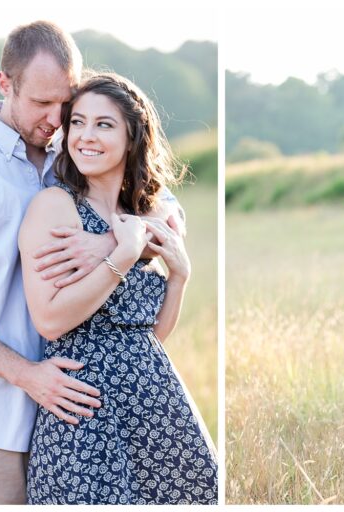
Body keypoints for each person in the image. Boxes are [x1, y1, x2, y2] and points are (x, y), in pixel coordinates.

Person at [0, 21, 184, 504]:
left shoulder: (71, 151)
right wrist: (25, 374)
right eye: (41, 103)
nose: (57, 119)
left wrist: (107, 244)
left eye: (66, 103)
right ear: (4, 84)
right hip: (1, 413)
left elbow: (164, 205)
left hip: (85, 413)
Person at [18, 72, 217, 504]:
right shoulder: (55, 206)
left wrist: (180, 277)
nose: (86, 136)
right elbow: (50, 321)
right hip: (83, 412)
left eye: (104, 125)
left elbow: (149, 338)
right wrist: (121, 256)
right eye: (78, 122)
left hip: (157, 406)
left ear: (132, 137)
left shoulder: (147, 214)